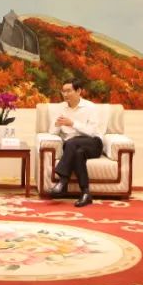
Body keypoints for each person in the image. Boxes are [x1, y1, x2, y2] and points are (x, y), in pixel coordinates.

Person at [47, 78, 102, 208]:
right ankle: (86, 193)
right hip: (71, 146)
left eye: (69, 91)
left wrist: (72, 123)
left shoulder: (90, 107)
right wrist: (57, 124)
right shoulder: (61, 108)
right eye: (63, 91)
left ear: (78, 91)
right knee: (77, 153)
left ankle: (62, 182)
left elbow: (92, 132)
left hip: (93, 143)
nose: (65, 94)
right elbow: (52, 132)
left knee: (71, 143)